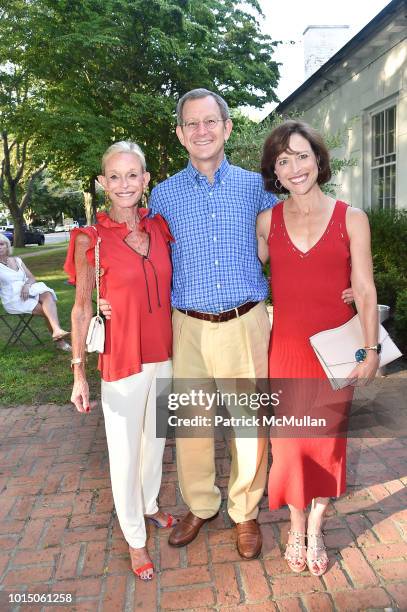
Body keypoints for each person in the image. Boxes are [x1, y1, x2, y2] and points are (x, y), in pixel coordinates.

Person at [257, 120, 379, 576]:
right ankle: (296, 526)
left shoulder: (352, 218)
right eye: (283, 161)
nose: (294, 167)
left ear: (318, 160)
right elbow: (241, 277)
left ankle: (318, 525)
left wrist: (371, 349)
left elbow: (364, 289)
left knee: (326, 444)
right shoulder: (268, 221)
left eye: (301, 155)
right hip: (285, 350)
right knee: (289, 446)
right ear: (276, 171)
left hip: (335, 353)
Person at [64, 142, 178, 581]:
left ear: (146, 179)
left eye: (133, 175)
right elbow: (78, 308)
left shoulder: (162, 227)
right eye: (115, 176)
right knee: (125, 451)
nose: (124, 184)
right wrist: (78, 371)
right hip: (121, 358)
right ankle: (134, 537)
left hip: (163, 354)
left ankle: (148, 506)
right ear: (102, 183)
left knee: (155, 441)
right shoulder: (88, 240)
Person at [0, 234, 70, 350]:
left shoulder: (17, 260)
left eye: (1, 244)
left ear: (7, 245)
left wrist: (27, 285)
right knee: (48, 311)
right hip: (14, 298)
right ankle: (60, 341)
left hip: (28, 290)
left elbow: (31, 278)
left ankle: (57, 331)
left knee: (46, 294)